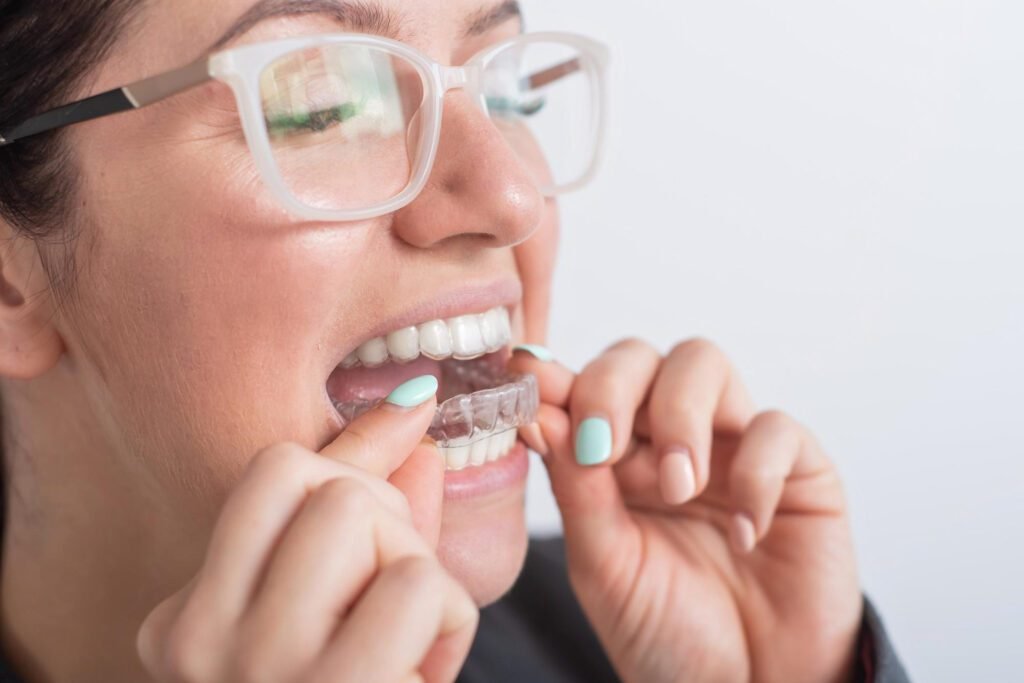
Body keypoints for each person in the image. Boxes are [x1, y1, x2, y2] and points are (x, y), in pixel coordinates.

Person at [0, 1, 910, 681]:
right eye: (320, 101)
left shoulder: (608, 639)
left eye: (505, 86)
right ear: (12, 280)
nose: (512, 197)